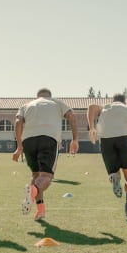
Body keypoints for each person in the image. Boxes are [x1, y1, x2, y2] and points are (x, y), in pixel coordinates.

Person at [12, 88, 78, 220]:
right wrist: (75, 139)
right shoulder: (56, 102)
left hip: (28, 141)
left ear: (37, 97)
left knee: (36, 175)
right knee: (46, 177)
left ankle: (40, 210)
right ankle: (33, 191)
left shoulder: (27, 105)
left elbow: (18, 122)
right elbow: (71, 115)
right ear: (49, 96)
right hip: (49, 139)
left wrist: (19, 147)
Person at [88, 93, 127, 217]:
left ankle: (115, 177)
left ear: (113, 100)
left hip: (106, 140)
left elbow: (91, 107)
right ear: (124, 101)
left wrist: (92, 128)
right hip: (123, 139)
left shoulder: (106, 107)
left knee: (114, 172)